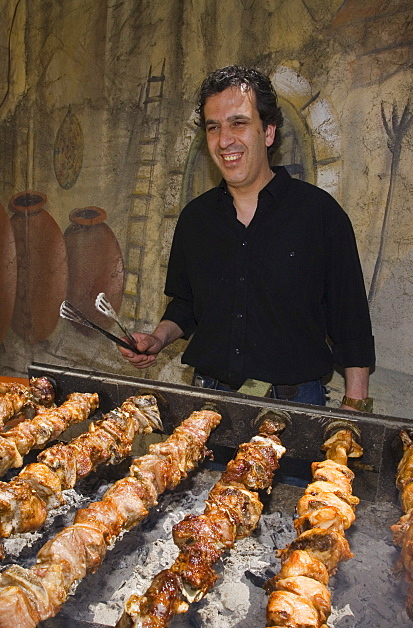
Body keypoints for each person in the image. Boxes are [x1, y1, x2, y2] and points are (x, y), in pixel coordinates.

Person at [120, 65, 375, 410]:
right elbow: (187, 306)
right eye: (214, 128)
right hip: (207, 402)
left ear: (268, 132)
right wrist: (156, 338)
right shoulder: (196, 220)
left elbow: (351, 321)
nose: (225, 140)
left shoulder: (319, 214)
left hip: (294, 407)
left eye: (238, 123)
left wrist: (354, 408)